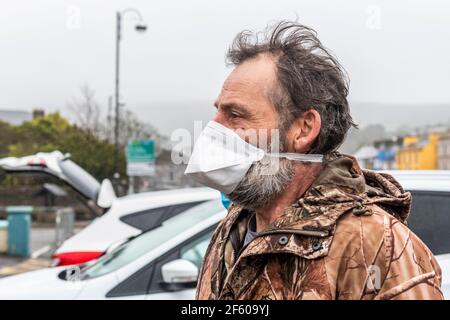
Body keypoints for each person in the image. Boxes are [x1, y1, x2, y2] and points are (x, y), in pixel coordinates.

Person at [185, 21, 443, 300]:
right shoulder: (235, 227)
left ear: (304, 129)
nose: (214, 128)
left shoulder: (376, 246)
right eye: (218, 113)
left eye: (235, 115)